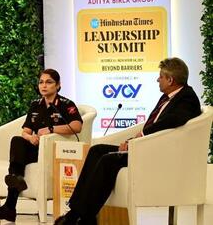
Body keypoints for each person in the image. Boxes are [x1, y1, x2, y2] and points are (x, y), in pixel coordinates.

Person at [55, 57, 201, 225]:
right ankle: (77, 212)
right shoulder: (168, 96)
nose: (157, 79)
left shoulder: (187, 97)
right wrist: (134, 140)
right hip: (146, 146)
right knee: (97, 150)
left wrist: (139, 138)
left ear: (170, 79)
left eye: (160, 76)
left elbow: (174, 120)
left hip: (157, 152)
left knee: (108, 160)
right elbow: (158, 124)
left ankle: (82, 217)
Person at [0, 69, 83, 222]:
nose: (44, 86)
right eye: (41, 82)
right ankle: (15, 181)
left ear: (58, 85)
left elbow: (77, 126)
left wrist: (52, 129)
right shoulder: (35, 104)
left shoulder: (66, 104)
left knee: (18, 157)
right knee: (17, 140)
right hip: (36, 148)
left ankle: (10, 206)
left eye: (49, 82)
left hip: (54, 151)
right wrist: (30, 137)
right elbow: (25, 131)